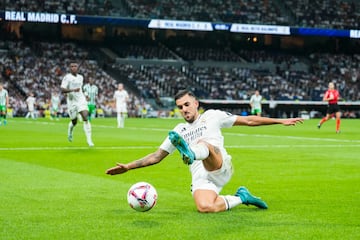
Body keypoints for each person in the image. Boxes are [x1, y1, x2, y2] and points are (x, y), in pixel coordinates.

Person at [106, 90, 303, 213]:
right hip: (202, 178)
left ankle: (193, 153)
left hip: (219, 165)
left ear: (196, 104)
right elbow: (156, 156)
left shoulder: (212, 116)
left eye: (186, 104)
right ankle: (242, 197)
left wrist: (280, 120)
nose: (183, 109)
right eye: (180, 107)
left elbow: (249, 120)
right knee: (205, 207)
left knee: (205, 144)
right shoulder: (178, 130)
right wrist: (128, 167)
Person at [61, 61, 94, 147]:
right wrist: (72, 90)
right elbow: (63, 89)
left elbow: (81, 89)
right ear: (70, 68)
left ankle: (89, 140)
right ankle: (70, 131)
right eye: (72, 66)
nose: (74, 68)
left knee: (85, 117)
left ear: (78, 68)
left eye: (75, 66)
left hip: (81, 100)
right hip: (71, 102)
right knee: (74, 122)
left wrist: (85, 95)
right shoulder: (67, 77)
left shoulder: (81, 77)